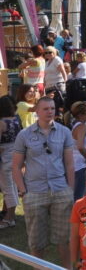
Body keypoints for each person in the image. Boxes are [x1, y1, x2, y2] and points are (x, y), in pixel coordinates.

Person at [11, 96, 76, 267]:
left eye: (52, 109)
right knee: (36, 242)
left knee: (64, 239)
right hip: (34, 192)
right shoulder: (24, 135)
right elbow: (16, 166)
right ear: (37, 112)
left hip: (61, 191)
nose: (50, 112)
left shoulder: (64, 132)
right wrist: (23, 191)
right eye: (46, 109)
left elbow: (70, 164)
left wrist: (70, 189)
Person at [0, 96, 22, 229]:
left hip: (5, 157)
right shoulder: (16, 120)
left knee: (8, 188)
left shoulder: (1, 123)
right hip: (16, 155)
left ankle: (9, 218)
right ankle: (10, 216)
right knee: (12, 186)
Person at [70, 101, 86, 200]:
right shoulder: (82, 127)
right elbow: (80, 146)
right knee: (79, 197)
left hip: (75, 165)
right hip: (80, 165)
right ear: (80, 115)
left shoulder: (76, 125)